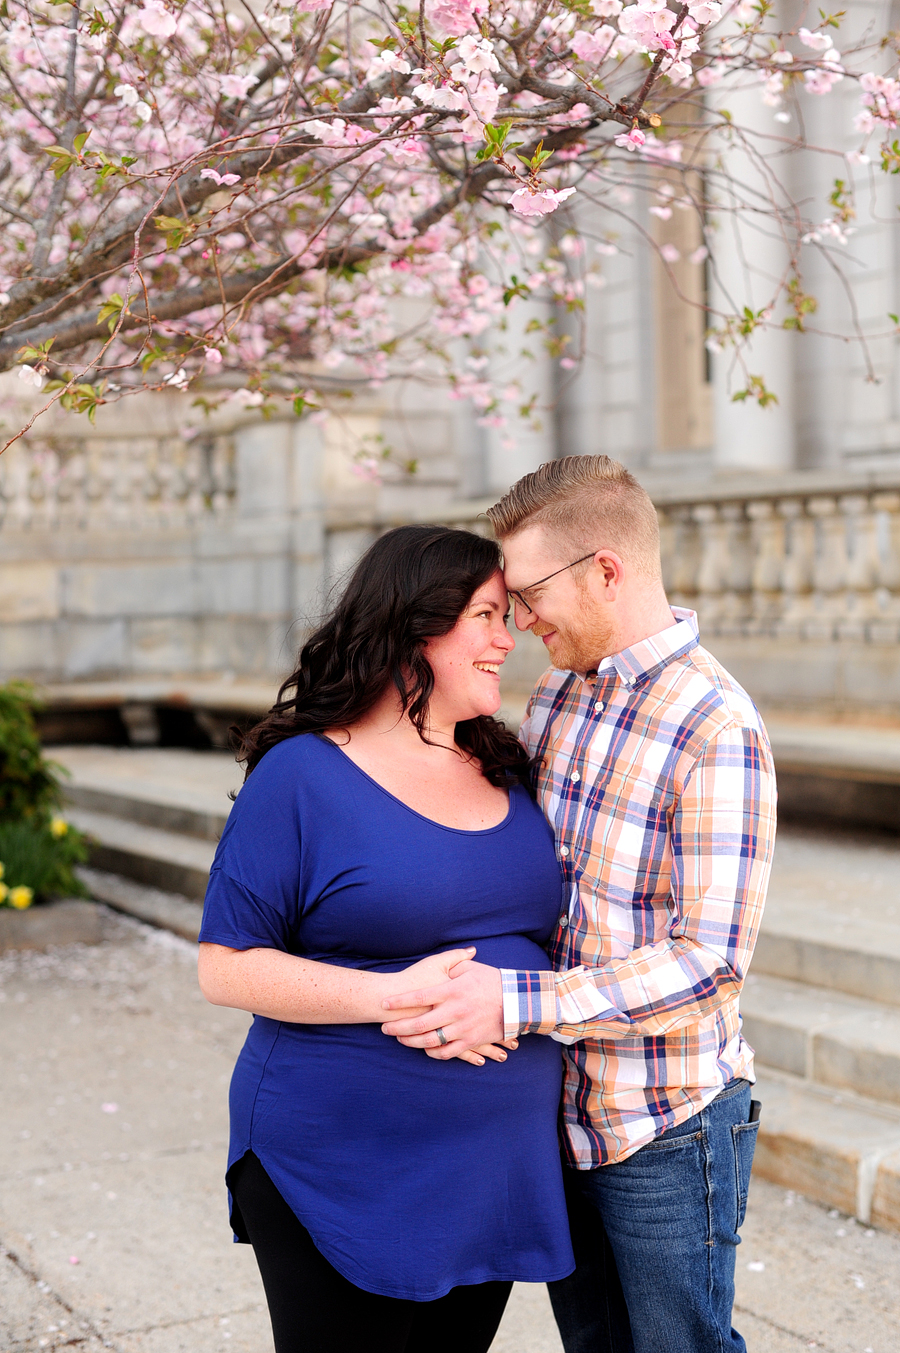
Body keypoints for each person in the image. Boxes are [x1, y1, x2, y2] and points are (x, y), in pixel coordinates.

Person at [381, 456, 777, 1353]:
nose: (519, 622)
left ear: (607, 569)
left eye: (528, 594)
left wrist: (516, 1003)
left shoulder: (717, 725)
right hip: (553, 1111)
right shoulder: (560, 689)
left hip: (665, 1123)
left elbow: (710, 963)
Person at [196, 524, 575, 1353]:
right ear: (415, 624)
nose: (507, 639)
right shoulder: (302, 774)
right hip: (344, 1158)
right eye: (485, 614)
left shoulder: (506, 763)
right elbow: (224, 966)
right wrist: (392, 995)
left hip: (490, 1165)